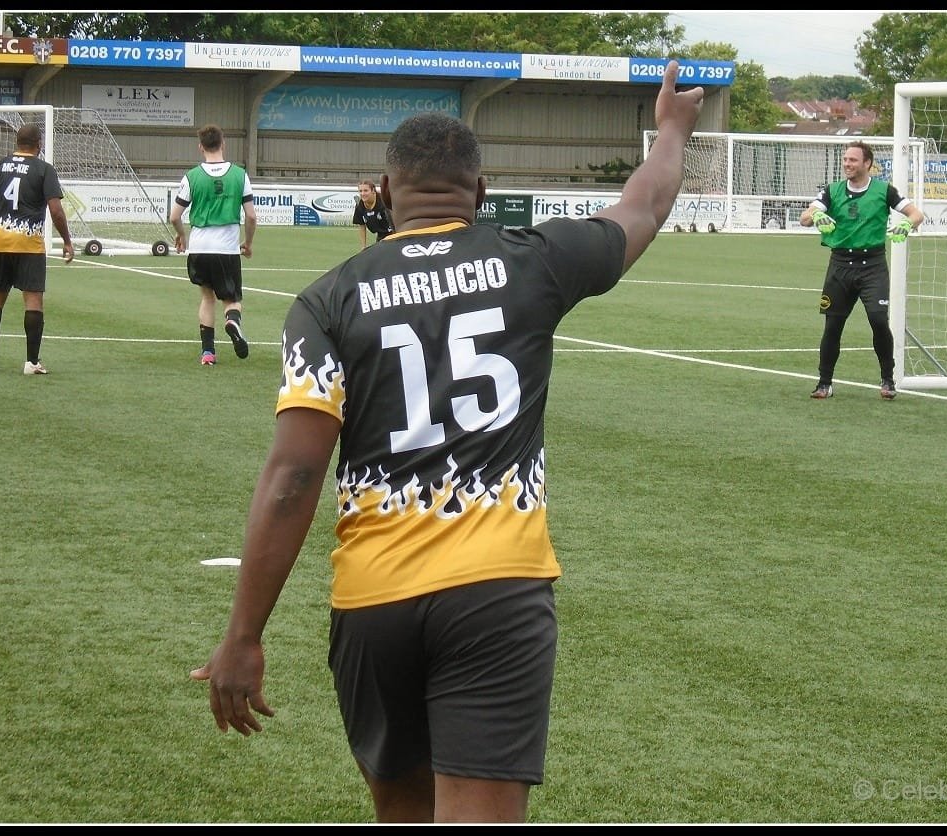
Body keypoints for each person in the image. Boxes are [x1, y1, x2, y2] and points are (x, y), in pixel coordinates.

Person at [191, 61, 704, 823]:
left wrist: (243, 636)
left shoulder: (325, 302)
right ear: (482, 192)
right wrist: (670, 131)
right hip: (497, 589)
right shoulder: (536, 260)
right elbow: (645, 204)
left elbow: (294, 476)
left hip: (373, 599)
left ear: (384, 191)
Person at [800, 140, 924, 400]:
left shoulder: (884, 191)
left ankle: (888, 379)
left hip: (873, 266)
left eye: (853, 160)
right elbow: (805, 217)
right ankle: (824, 383)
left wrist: (907, 225)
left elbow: (916, 214)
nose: (847, 164)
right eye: (845, 159)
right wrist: (816, 216)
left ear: (867, 163)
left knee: (879, 320)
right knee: (833, 325)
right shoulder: (832, 191)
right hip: (840, 266)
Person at [0, 123, 74, 375]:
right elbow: (56, 210)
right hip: (29, 245)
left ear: (17, 142)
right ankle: (32, 362)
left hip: (1, 242)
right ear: (39, 143)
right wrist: (67, 240)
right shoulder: (44, 169)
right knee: (33, 299)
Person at [169, 123, 256, 365]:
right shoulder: (239, 175)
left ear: (201, 147)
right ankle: (232, 322)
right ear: (223, 144)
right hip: (226, 249)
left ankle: (208, 353)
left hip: (199, 248)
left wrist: (182, 235)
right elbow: (251, 216)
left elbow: (174, 216)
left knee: (207, 298)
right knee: (231, 300)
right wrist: (248, 243)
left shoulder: (192, 176)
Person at [352, 178, 394, 250]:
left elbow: (396, 222)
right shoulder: (360, 205)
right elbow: (361, 225)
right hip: (381, 235)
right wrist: (363, 246)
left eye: (366, 191)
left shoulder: (384, 202)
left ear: (373, 191)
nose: (362, 194)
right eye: (360, 191)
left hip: (394, 234)